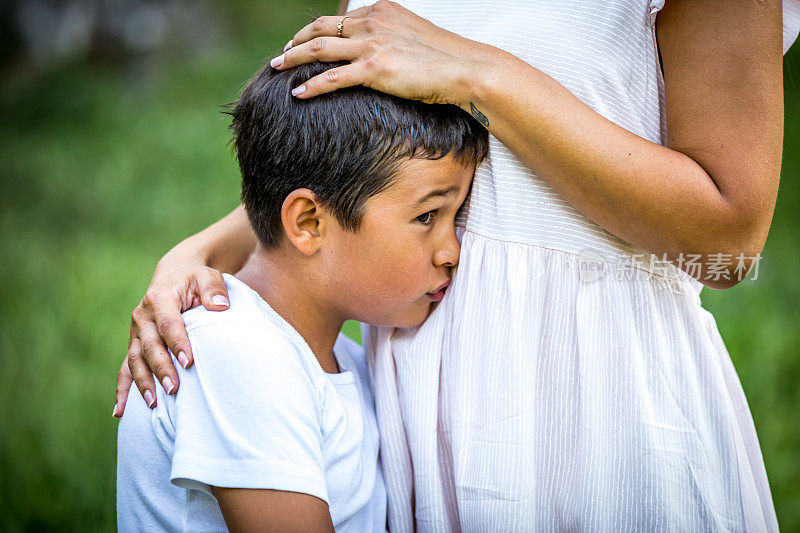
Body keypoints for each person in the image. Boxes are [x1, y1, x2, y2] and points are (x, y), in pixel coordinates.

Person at [115, 0, 800, 530]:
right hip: (415, 396)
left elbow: (731, 232)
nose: (454, 245)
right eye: (432, 222)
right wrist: (198, 253)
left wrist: (479, 71)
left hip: (589, 392)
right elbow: (346, 163)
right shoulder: (256, 359)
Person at [115, 58, 489, 531]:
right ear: (309, 223)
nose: (451, 252)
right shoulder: (236, 351)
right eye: (427, 217)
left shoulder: (342, 356)